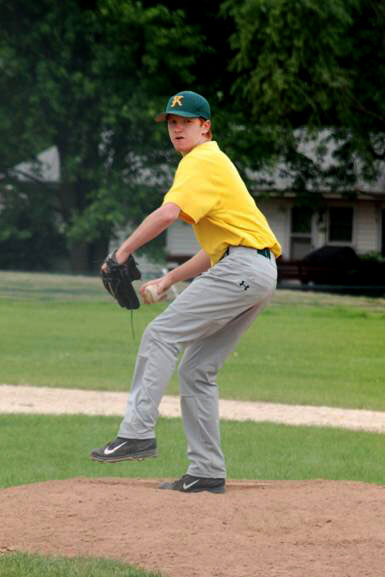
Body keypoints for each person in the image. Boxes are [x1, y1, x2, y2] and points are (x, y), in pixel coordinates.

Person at [90, 90, 282, 494]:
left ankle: (137, 432)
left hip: (244, 267)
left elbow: (168, 213)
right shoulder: (211, 164)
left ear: (205, 126)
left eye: (185, 121)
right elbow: (216, 252)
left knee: (161, 334)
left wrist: (122, 252)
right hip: (255, 270)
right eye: (171, 122)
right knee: (197, 369)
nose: (176, 128)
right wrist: (168, 280)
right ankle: (207, 471)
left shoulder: (201, 159)